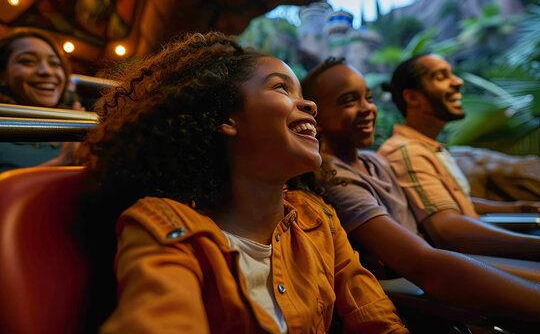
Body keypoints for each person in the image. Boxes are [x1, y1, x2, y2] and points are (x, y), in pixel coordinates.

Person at [77, 32, 407, 333]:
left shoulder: (320, 219)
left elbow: (377, 319)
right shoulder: (163, 225)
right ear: (226, 120)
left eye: (303, 94)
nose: (310, 105)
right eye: (281, 88)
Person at [299, 57, 540, 323]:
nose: (367, 108)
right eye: (348, 101)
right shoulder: (335, 179)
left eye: (368, 97)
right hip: (416, 291)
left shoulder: (374, 161)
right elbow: (423, 263)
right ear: (316, 119)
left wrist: (517, 209)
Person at [377, 53, 540, 259]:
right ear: (412, 98)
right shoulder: (407, 153)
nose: (458, 81)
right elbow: (447, 230)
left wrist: (519, 208)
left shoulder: (428, 147)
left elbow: (456, 204)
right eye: (441, 76)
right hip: (471, 263)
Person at [0, 29, 81, 171]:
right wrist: (61, 164)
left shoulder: (78, 126)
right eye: (28, 61)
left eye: (55, 63)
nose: (46, 71)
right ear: (2, 75)